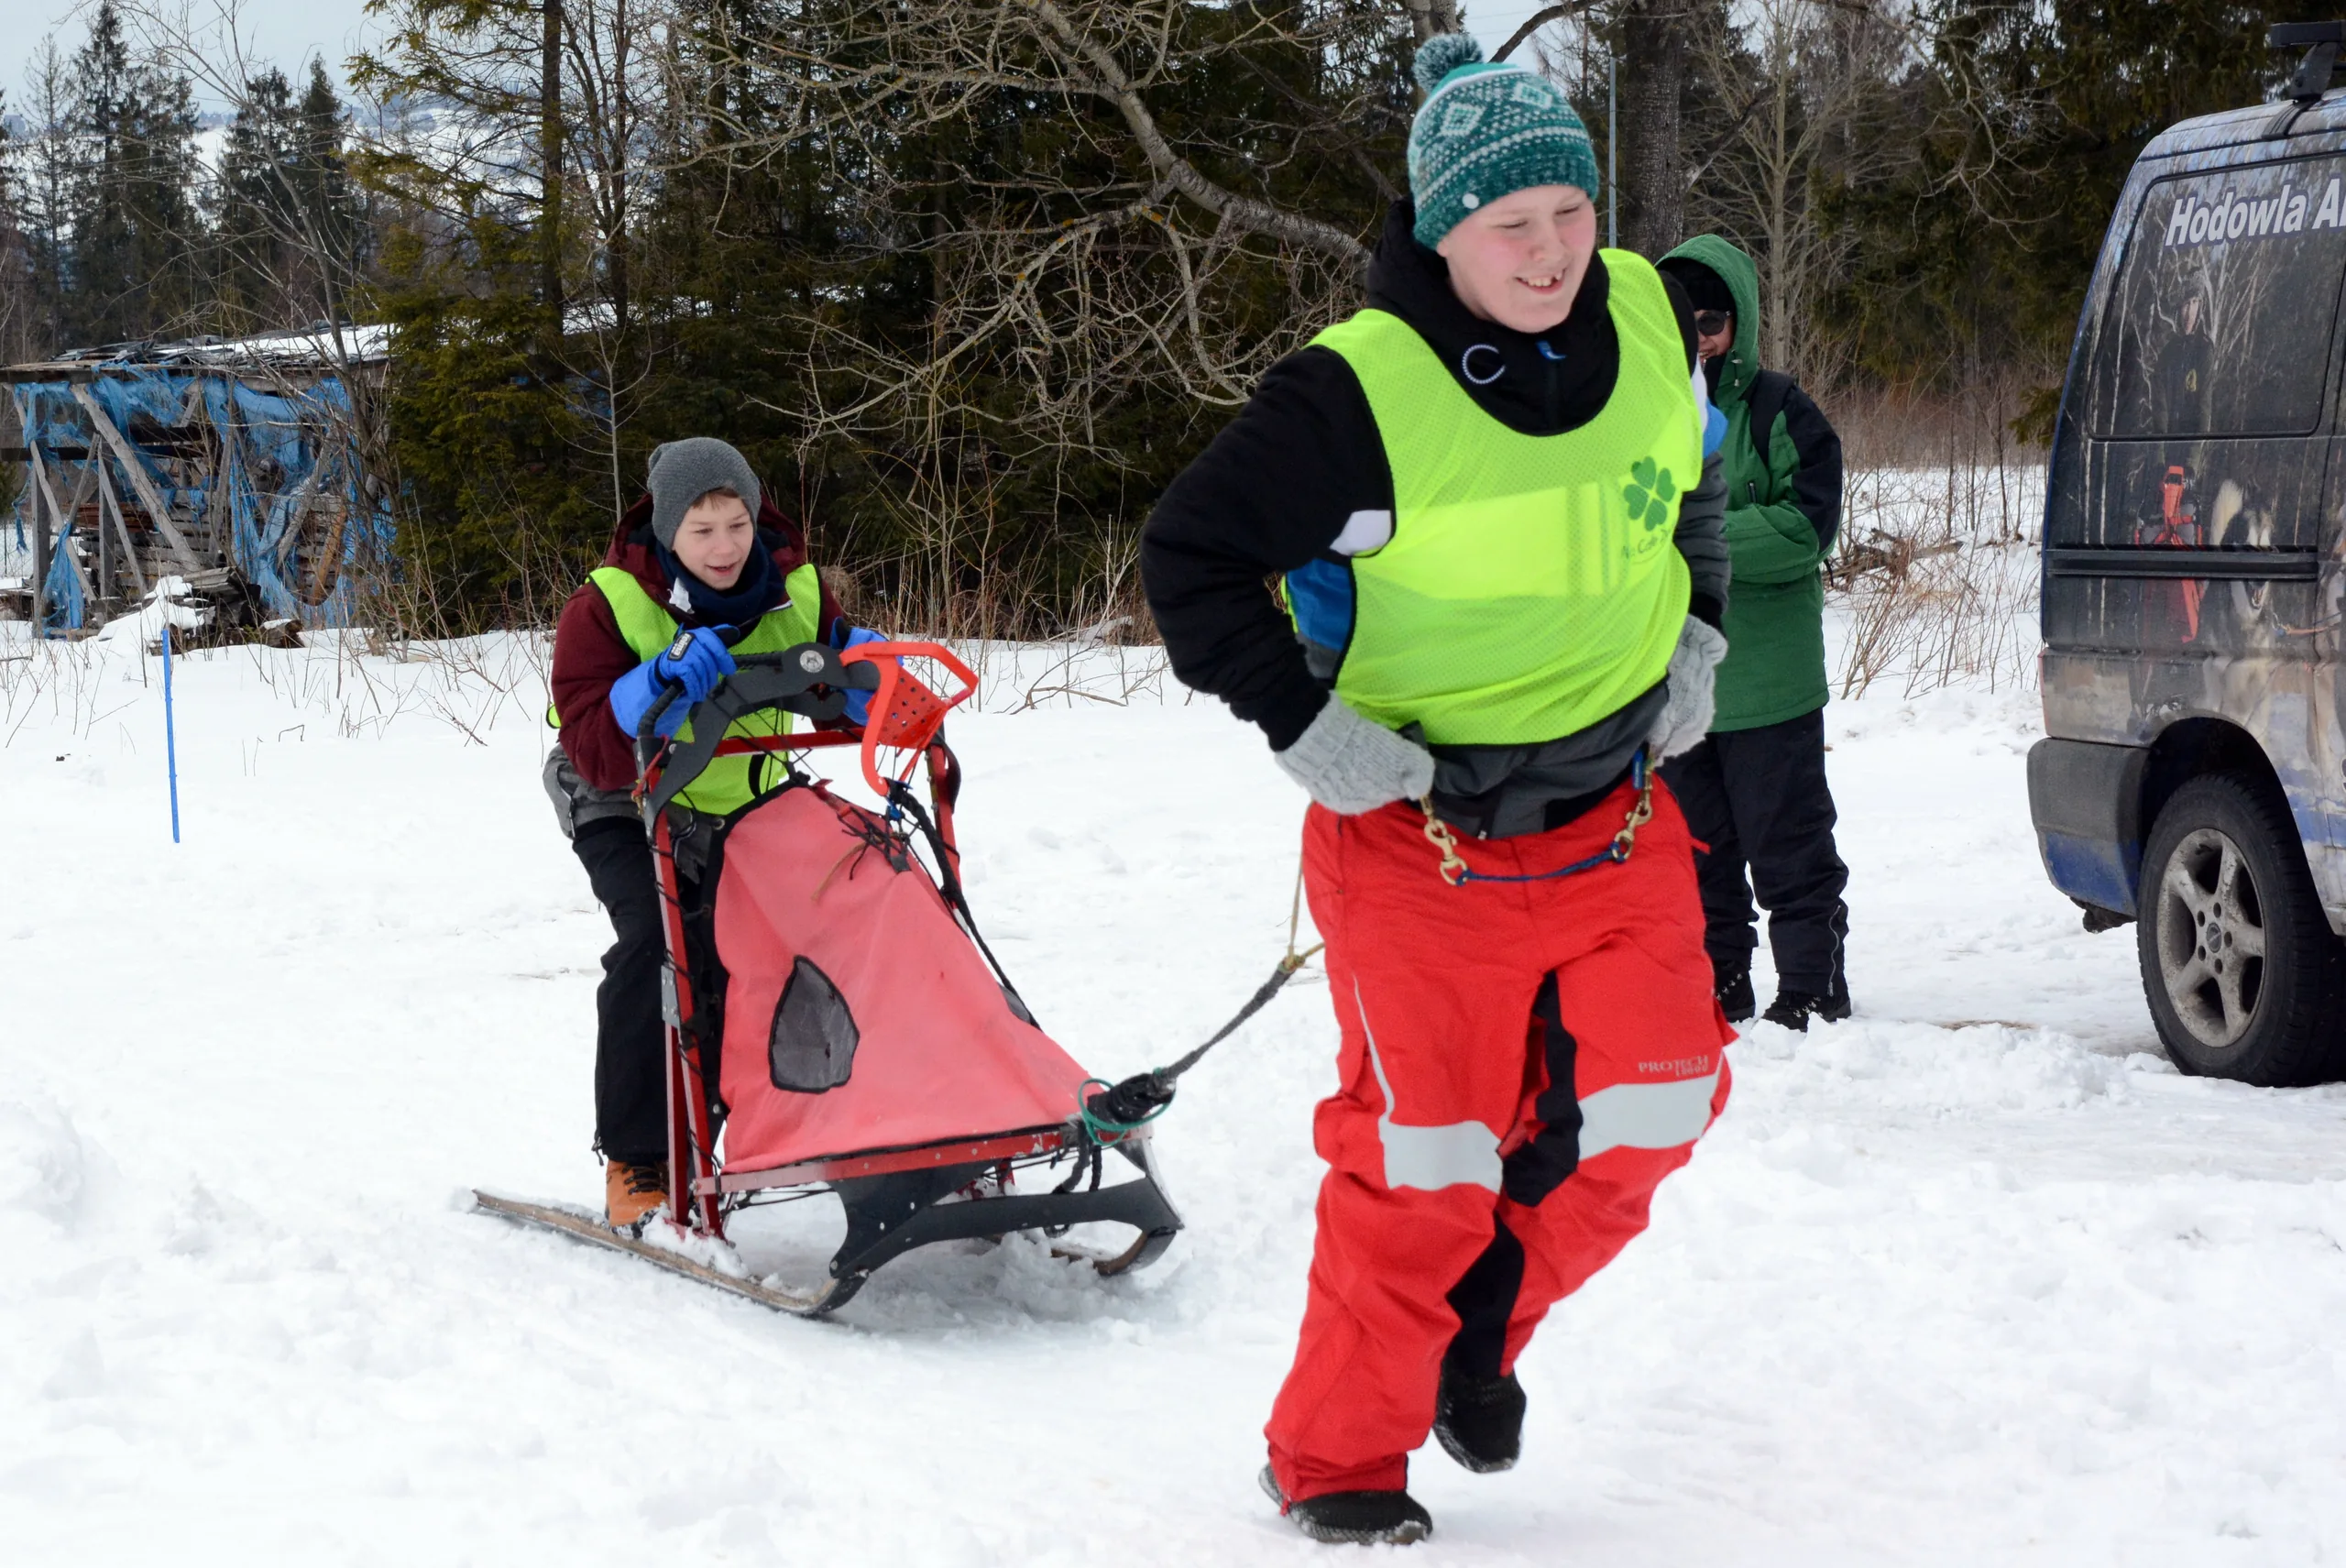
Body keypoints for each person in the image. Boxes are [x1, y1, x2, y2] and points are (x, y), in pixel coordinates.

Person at [1140, 32, 1736, 1547]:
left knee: (1660, 1106)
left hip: (1621, 818)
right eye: (1507, 226)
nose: (1548, 254)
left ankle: (1478, 1338)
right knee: (1427, 1167)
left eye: (1569, 213)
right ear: (1440, 231)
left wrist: (1703, 627)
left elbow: (1689, 472)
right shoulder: (1360, 396)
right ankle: (1335, 1458)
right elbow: (1190, 558)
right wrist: (1301, 722)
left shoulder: (1657, 316)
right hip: (1425, 844)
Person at [543, 437, 872, 1230]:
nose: (725, 547)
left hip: (742, 799)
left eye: (737, 524)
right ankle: (640, 1159)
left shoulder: (794, 586)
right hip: (625, 799)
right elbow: (589, 740)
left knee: (840, 927)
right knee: (661, 949)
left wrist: (861, 676)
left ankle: (862, 1124)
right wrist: (646, 689)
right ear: (666, 532)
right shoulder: (609, 603)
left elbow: (829, 677)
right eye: (702, 530)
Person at [1655, 236, 1852, 1031]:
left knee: (1790, 847)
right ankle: (1720, 981)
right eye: (1684, 321)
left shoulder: (1781, 409)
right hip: (1681, 685)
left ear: (1739, 321)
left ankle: (1812, 984)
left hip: (1770, 682)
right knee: (1698, 855)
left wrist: (1695, 540)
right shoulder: (1648, 417)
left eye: (1712, 319)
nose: (1699, 337)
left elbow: (1807, 528)